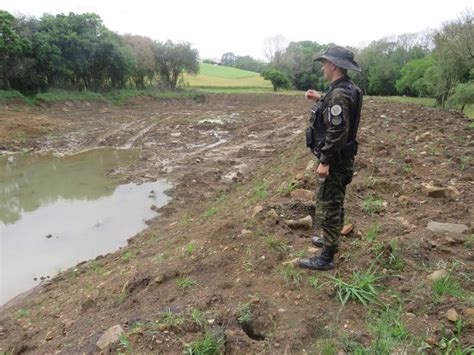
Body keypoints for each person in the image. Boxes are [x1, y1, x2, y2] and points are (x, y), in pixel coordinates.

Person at [298, 46, 363, 270]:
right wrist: (320, 97)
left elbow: (337, 132)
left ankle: (326, 257)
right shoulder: (347, 89)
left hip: (335, 161)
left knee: (328, 205)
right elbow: (337, 109)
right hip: (342, 158)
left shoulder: (339, 94)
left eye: (324, 63)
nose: (323, 68)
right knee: (336, 202)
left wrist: (324, 161)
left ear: (334, 65)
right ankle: (330, 240)